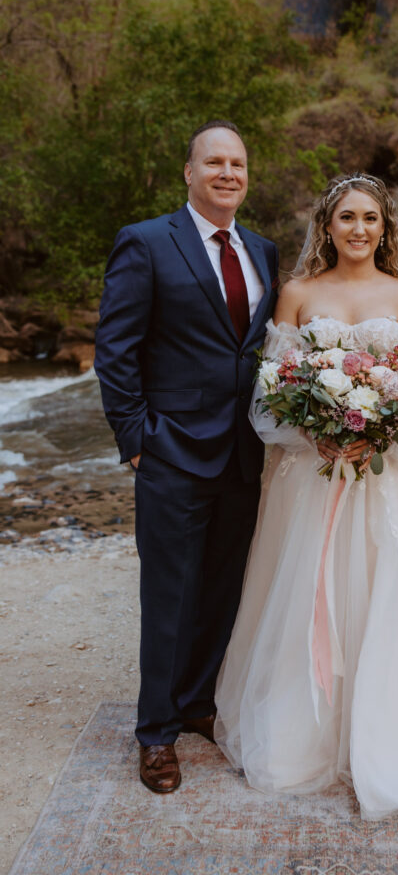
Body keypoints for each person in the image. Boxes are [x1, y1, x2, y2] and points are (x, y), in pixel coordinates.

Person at [213, 173, 398, 820]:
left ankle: (387, 731)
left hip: (389, 478)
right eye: (346, 218)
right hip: (312, 476)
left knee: (384, 590)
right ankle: (305, 731)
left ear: (385, 226)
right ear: (326, 226)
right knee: (312, 588)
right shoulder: (299, 294)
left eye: (370, 218)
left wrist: (384, 436)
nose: (358, 229)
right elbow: (268, 397)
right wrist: (317, 434)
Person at [94, 120, 279, 794]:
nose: (227, 172)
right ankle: (155, 733)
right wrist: (136, 439)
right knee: (168, 595)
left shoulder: (263, 250)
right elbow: (114, 351)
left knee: (222, 589)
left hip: (243, 454)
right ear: (189, 172)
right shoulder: (146, 242)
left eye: (237, 163)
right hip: (170, 452)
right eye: (214, 162)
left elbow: (258, 352)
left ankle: (198, 702)